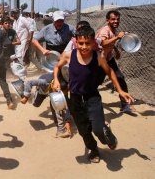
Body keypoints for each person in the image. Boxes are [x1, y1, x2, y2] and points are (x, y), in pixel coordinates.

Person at [52, 25, 134, 163]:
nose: (84, 47)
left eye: (87, 43)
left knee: (97, 128)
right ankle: (94, 150)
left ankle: (106, 135)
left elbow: (110, 72)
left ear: (93, 43)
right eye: (81, 43)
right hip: (75, 100)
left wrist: (120, 90)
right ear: (76, 42)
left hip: (92, 98)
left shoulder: (98, 57)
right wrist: (56, 80)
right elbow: (57, 66)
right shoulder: (69, 56)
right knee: (84, 131)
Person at [96, 10, 133, 114]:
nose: (116, 21)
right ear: (107, 20)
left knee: (120, 78)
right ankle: (85, 102)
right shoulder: (105, 30)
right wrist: (117, 37)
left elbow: (110, 43)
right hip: (100, 60)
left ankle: (125, 104)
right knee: (95, 82)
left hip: (109, 58)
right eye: (113, 19)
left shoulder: (113, 30)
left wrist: (115, 50)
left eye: (117, 19)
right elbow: (103, 43)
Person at [18, 72, 72, 138]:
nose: (58, 89)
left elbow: (67, 105)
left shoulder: (65, 87)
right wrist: (26, 97)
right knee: (35, 104)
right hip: (42, 91)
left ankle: (60, 130)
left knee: (56, 105)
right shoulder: (45, 81)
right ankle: (23, 91)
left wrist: (68, 121)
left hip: (52, 93)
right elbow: (30, 82)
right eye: (57, 88)